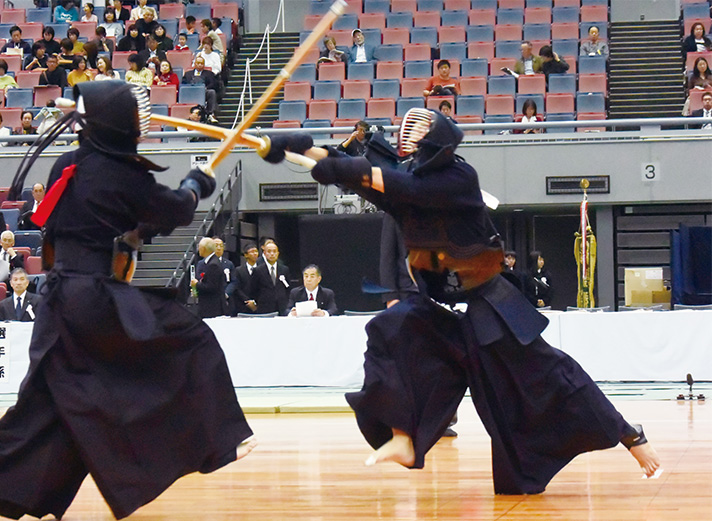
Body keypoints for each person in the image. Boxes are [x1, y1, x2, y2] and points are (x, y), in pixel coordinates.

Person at [260, 108, 661, 495]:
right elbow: (369, 179)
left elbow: (397, 185)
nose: (408, 142)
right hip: (439, 308)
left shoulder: (457, 178)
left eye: (417, 137)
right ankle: (405, 436)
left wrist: (342, 167)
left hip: (490, 304)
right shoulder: (409, 177)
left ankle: (629, 434)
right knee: (390, 331)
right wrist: (304, 152)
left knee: (545, 375)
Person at [0, 80, 255, 521]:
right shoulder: (124, 173)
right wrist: (194, 184)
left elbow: (115, 222)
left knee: (54, 405)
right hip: (92, 297)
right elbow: (174, 211)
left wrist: (164, 208)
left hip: (59, 295)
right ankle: (218, 436)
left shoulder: (68, 165)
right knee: (188, 338)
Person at [191, 236, 228, 318]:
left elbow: (211, 287)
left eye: (199, 247)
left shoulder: (213, 265)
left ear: (204, 249)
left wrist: (197, 284)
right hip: (208, 306)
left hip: (212, 307)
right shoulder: (210, 262)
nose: (198, 250)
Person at [251, 241, 291, 315]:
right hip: (264, 307)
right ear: (265, 254)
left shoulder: (284, 269)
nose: (272, 254)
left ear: (278, 253)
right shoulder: (258, 270)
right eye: (269, 251)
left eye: (274, 251)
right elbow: (253, 290)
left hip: (282, 307)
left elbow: (288, 288)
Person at [229, 242, 259, 316]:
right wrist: (247, 301)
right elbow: (237, 288)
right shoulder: (239, 270)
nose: (255, 254)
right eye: (252, 252)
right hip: (243, 305)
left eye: (256, 251)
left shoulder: (261, 269)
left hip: (258, 305)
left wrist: (255, 302)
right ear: (246, 255)